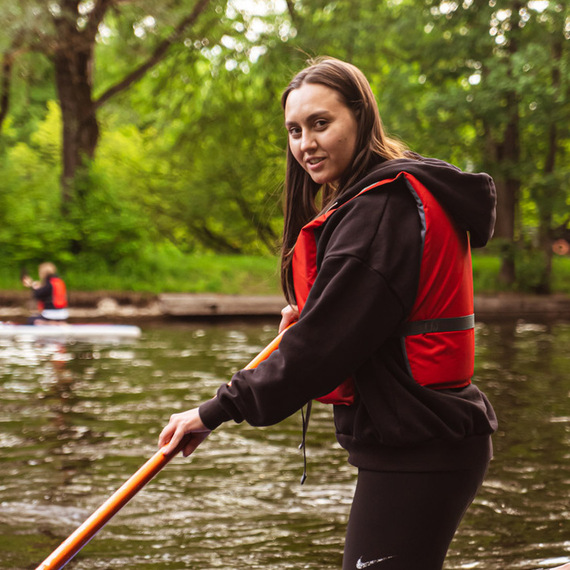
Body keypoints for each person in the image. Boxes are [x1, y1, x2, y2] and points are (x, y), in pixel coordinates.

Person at [159, 57, 499, 570]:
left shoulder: (379, 213)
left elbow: (320, 351)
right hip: (419, 438)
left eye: (321, 124)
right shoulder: (376, 203)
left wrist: (213, 412)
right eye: (295, 130)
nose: (305, 144)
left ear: (361, 118)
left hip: (422, 447)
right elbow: (342, 331)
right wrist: (309, 326)